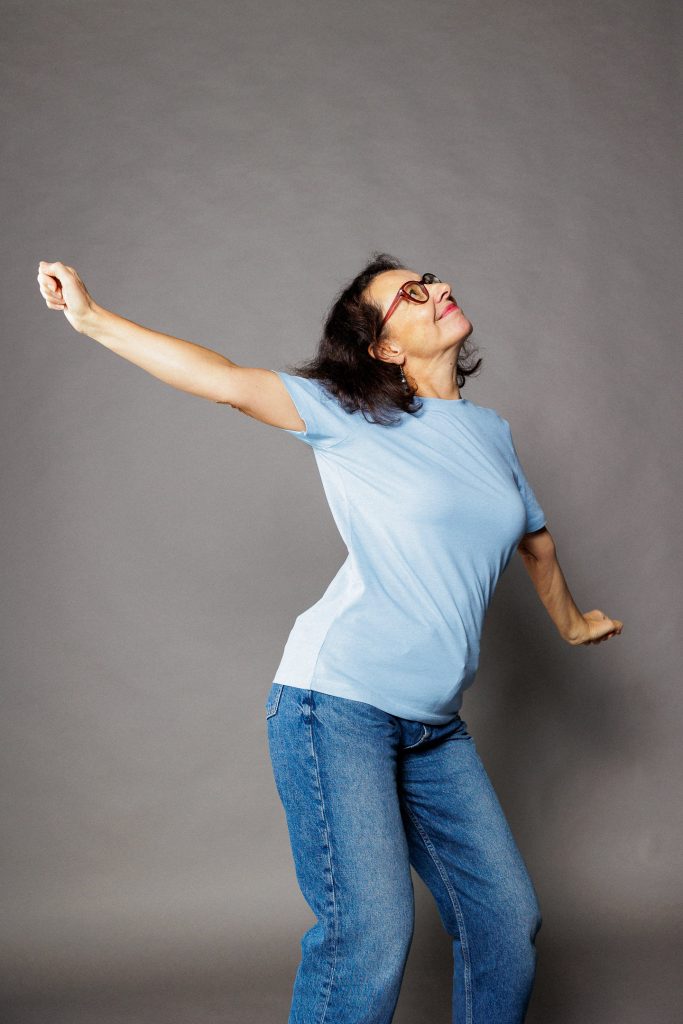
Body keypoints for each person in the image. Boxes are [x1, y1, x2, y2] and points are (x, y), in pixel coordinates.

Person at [36, 252, 623, 1024]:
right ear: (384, 349)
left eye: (432, 279)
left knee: (505, 923)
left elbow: (534, 542)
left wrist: (573, 623)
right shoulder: (353, 414)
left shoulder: (490, 433)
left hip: (433, 726)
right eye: (411, 295)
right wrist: (92, 318)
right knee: (369, 936)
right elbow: (222, 379)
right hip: (336, 706)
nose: (438, 290)